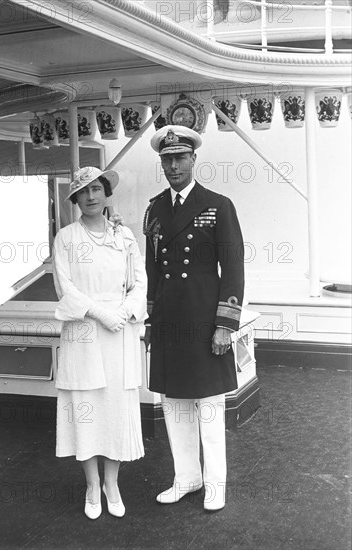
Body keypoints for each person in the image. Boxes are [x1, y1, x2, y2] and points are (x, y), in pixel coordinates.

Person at [144, 125, 244, 511]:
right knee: (174, 403)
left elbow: (233, 269)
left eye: (179, 158)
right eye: (166, 159)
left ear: (193, 160)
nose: (173, 166)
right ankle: (186, 476)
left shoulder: (217, 205)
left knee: (209, 404)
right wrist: (151, 321)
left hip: (204, 320)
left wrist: (225, 324)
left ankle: (216, 481)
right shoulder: (154, 209)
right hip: (168, 320)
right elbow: (153, 272)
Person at [53, 166, 147, 520]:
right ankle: (92, 485)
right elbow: (65, 288)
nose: (91, 197)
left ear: (107, 194)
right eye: (84, 191)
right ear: (75, 198)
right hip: (84, 332)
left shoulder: (124, 237)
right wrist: (99, 313)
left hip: (119, 332)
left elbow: (140, 281)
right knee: (86, 408)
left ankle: (112, 483)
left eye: (97, 189)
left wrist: (123, 312)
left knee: (115, 409)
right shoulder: (66, 238)